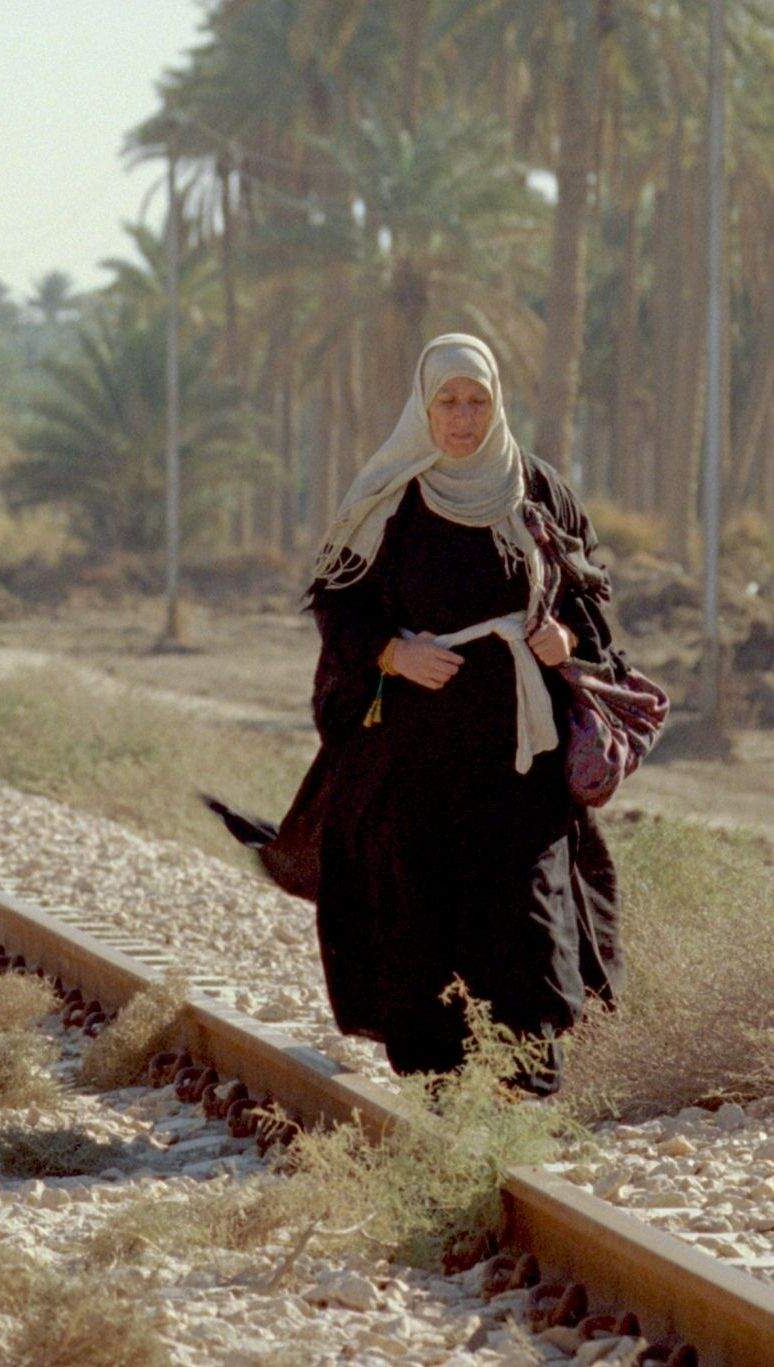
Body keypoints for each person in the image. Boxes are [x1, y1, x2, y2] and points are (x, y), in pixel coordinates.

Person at [207, 334, 630, 1091]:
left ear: (496, 403)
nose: (464, 417)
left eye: (478, 401)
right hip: (416, 760)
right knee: (426, 919)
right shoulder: (388, 498)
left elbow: (588, 598)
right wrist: (391, 654)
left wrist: (565, 640)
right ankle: (444, 1096)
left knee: (530, 919)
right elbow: (338, 605)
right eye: (449, 402)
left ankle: (527, 1091)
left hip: (519, 758)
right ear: (423, 405)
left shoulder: (538, 490)